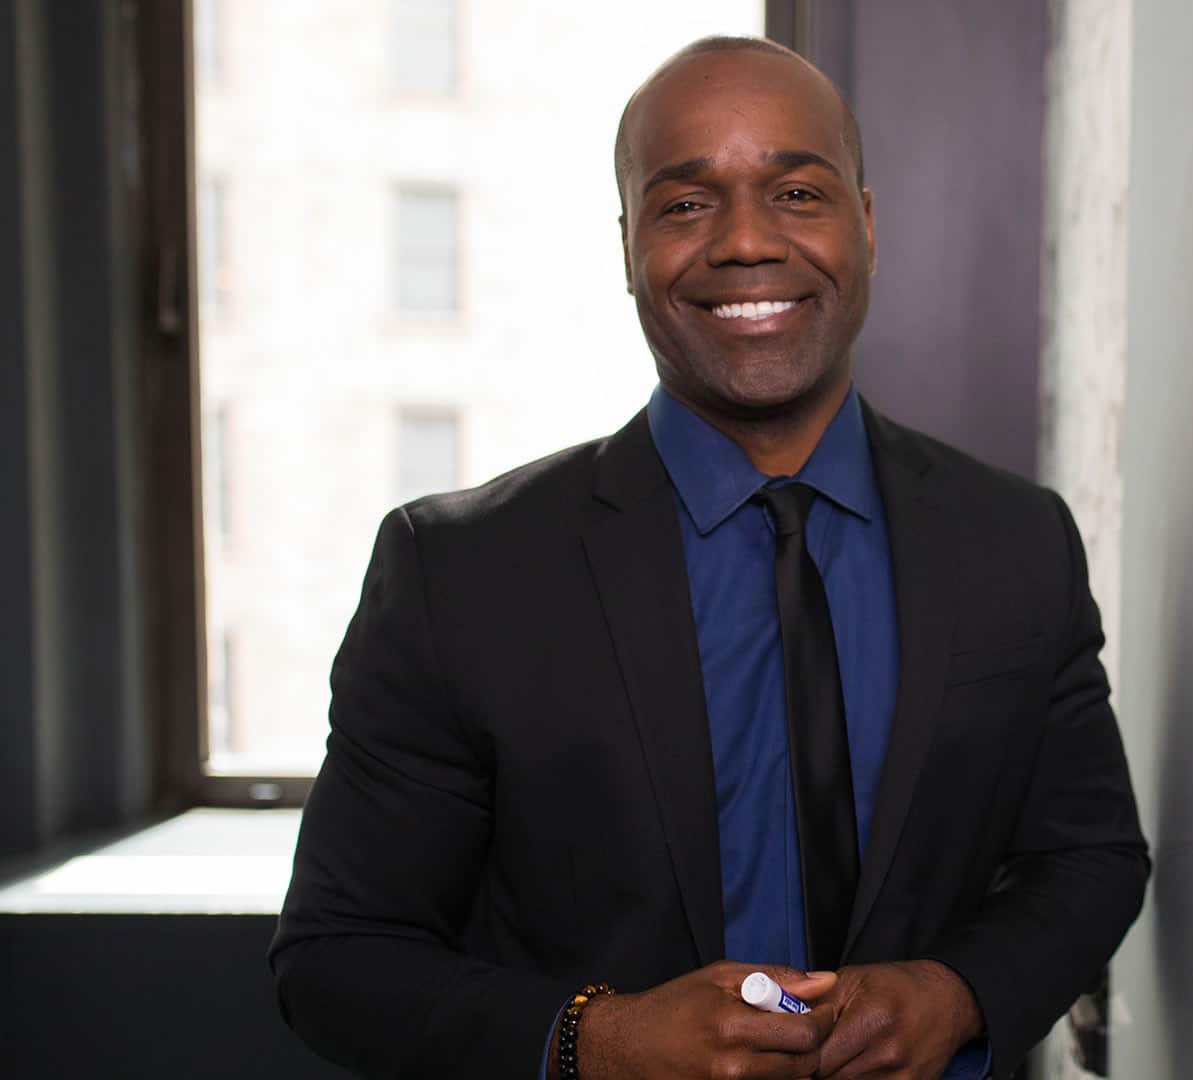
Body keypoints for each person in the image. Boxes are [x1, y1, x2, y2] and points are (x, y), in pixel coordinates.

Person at [268, 34, 1148, 1080]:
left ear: (865, 225)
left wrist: (958, 995)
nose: (744, 242)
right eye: (686, 204)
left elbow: (1088, 858)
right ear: (630, 246)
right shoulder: (459, 574)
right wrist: (600, 1038)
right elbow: (337, 958)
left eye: (798, 193)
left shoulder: (1015, 539)